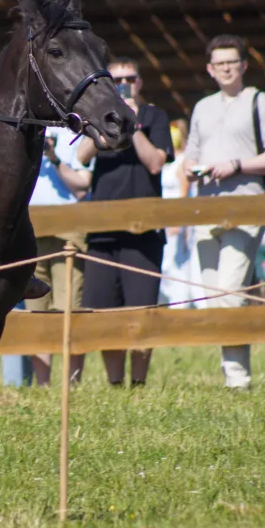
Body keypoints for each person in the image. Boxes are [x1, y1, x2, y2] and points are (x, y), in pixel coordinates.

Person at [183, 34, 265, 390]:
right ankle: (229, 372)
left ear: (244, 65)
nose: (227, 68)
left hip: (245, 205)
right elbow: (190, 154)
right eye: (220, 64)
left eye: (233, 62)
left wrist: (236, 165)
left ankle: (238, 381)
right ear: (210, 69)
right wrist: (191, 167)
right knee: (211, 297)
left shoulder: (261, 102)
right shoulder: (202, 107)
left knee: (231, 290)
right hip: (205, 208)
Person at [77, 57, 173, 387]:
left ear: (139, 82)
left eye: (130, 79)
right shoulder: (101, 114)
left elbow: (156, 163)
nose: (124, 85)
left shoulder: (155, 116)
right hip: (102, 230)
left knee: (142, 311)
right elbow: (82, 156)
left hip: (144, 230)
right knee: (104, 311)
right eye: (117, 80)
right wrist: (110, 117)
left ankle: (140, 384)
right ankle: (115, 384)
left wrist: (132, 123)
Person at [3, 126, 92, 387]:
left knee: (69, 309)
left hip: (68, 233)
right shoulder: (29, 133)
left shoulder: (76, 137)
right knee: (36, 311)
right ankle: (43, 385)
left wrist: (53, 157)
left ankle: (72, 384)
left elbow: (82, 187)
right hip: (31, 232)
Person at [159, 118, 195, 308]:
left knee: (176, 267)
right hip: (163, 220)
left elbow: (184, 194)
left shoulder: (182, 162)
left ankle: (180, 306)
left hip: (175, 222)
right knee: (165, 267)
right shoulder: (167, 163)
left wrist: (179, 222)